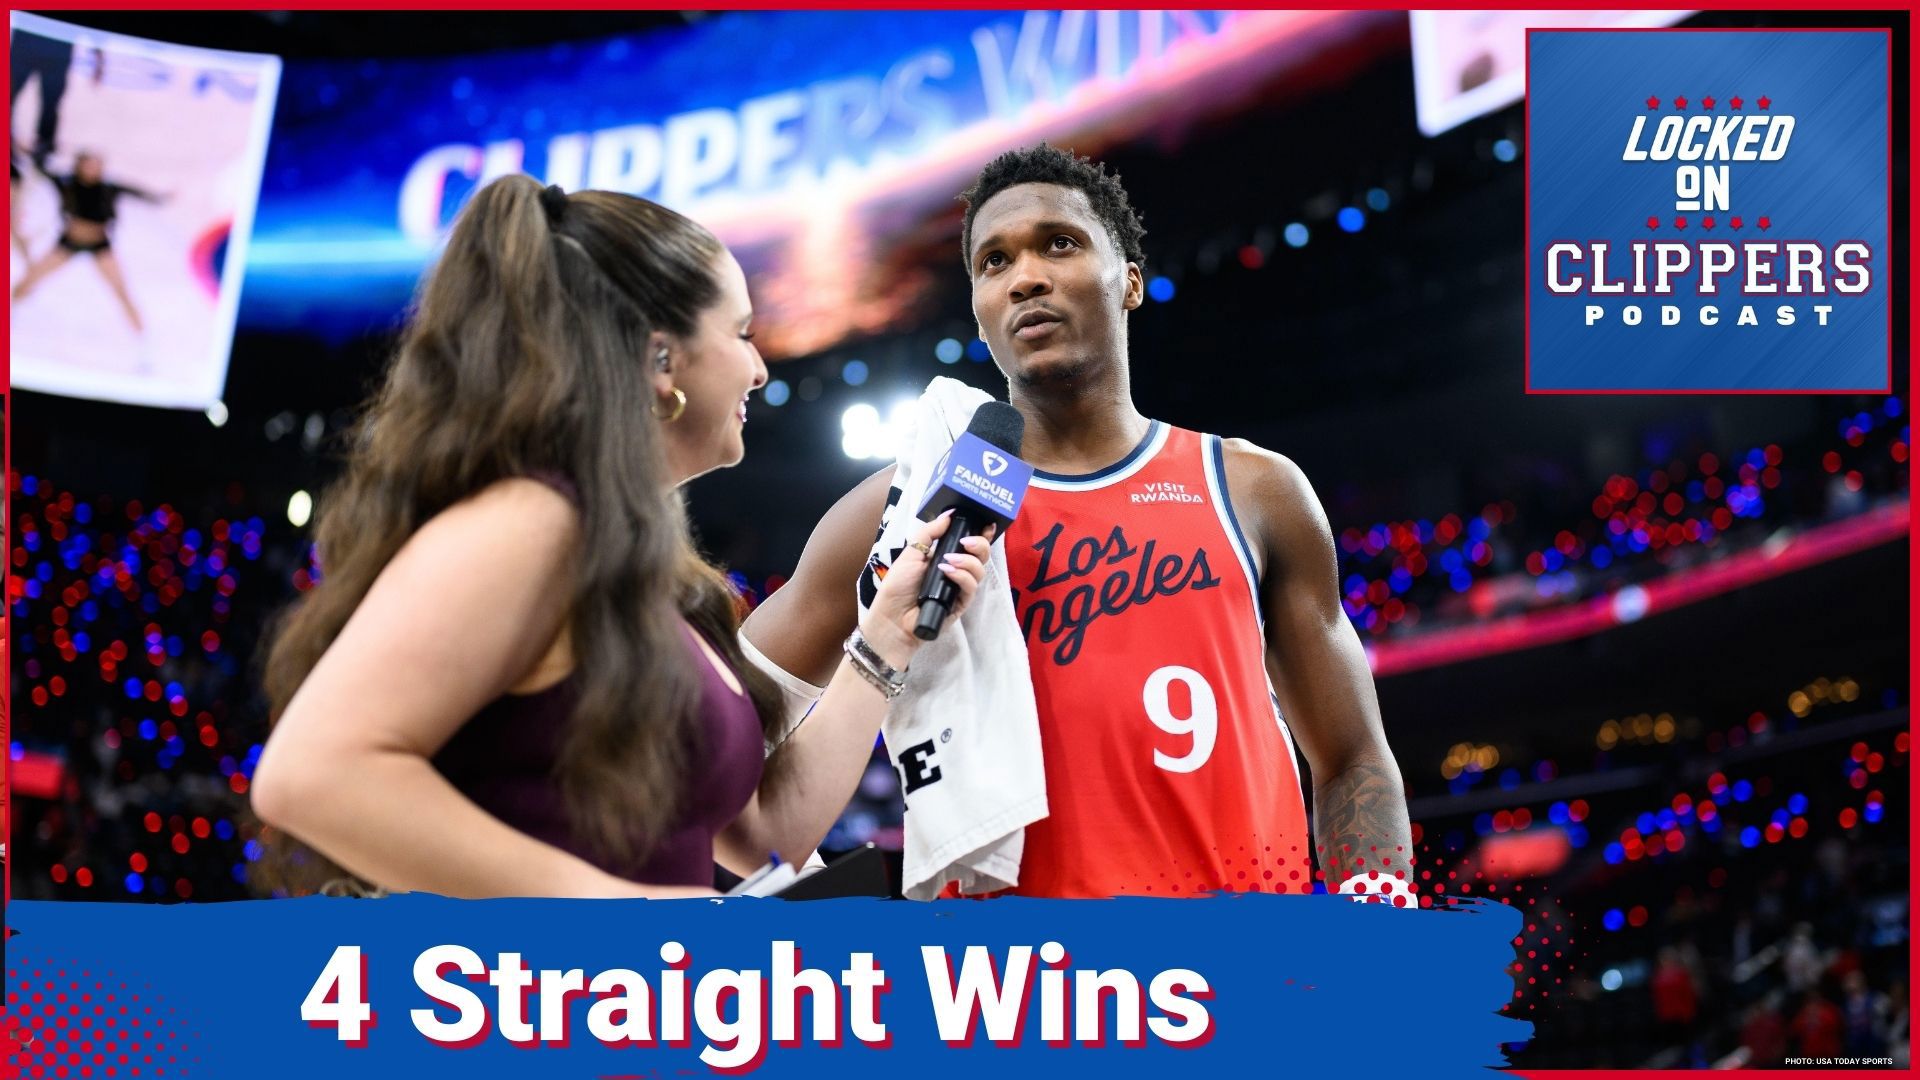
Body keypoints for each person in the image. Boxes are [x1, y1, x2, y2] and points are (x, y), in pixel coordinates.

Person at [249, 175, 993, 899]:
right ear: (660, 359)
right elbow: (311, 775)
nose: (759, 369)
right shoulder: (531, 521)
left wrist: (886, 638)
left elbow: (763, 837)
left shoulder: (635, 569)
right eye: (741, 334)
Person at [741, 144, 1411, 898]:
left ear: (1129, 281)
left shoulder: (1254, 489)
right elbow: (707, 741)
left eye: (1059, 244)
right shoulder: (907, 507)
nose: (1024, 277)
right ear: (979, 310)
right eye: (994, 262)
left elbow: (1353, 759)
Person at [12, 151, 163, 332]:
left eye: (97, 166)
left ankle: (142, 335)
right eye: (89, 165)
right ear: (80, 166)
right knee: (32, 277)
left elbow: (136, 192)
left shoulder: (108, 188)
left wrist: (160, 198)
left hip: (100, 245)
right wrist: (32, 151)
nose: (93, 170)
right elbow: (42, 170)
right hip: (69, 242)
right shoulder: (67, 183)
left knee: (120, 289)